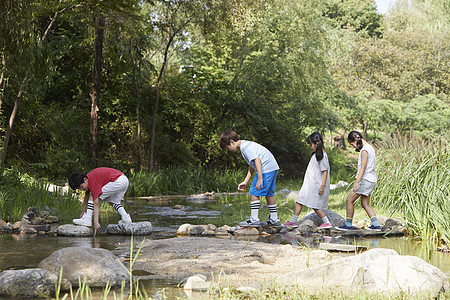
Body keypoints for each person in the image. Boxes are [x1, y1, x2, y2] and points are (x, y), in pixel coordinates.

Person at [220, 131, 280, 226]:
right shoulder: (246, 144)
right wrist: (246, 181)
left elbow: (257, 160)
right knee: (269, 194)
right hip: (272, 167)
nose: (229, 149)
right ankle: (274, 219)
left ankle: (254, 219)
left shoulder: (245, 147)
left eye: (227, 147)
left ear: (231, 142)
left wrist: (260, 178)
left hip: (266, 169)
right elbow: (253, 165)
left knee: (253, 192)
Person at [283, 132, 332, 229]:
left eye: (311, 144)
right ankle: (293, 221)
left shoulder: (322, 156)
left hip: (317, 185)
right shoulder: (316, 155)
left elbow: (325, 171)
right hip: (310, 185)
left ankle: (327, 223)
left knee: (316, 206)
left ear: (316, 144)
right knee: (299, 200)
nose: (310, 147)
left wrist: (322, 186)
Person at [337, 131, 381, 231]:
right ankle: (376, 225)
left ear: (356, 139)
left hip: (365, 180)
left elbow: (363, 167)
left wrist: (357, 182)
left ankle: (348, 225)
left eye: (352, 144)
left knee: (349, 200)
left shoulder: (364, 150)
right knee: (365, 203)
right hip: (371, 179)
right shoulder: (370, 148)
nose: (353, 146)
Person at [69, 167, 132, 235]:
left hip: (117, 181)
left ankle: (87, 219)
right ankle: (126, 218)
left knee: (92, 196)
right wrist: (83, 211)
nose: (82, 189)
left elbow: (96, 203)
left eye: (81, 187)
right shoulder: (88, 178)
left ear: (85, 180)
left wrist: (96, 222)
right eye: (79, 188)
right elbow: (86, 197)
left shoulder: (93, 181)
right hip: (124, 180)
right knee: (113, 201)